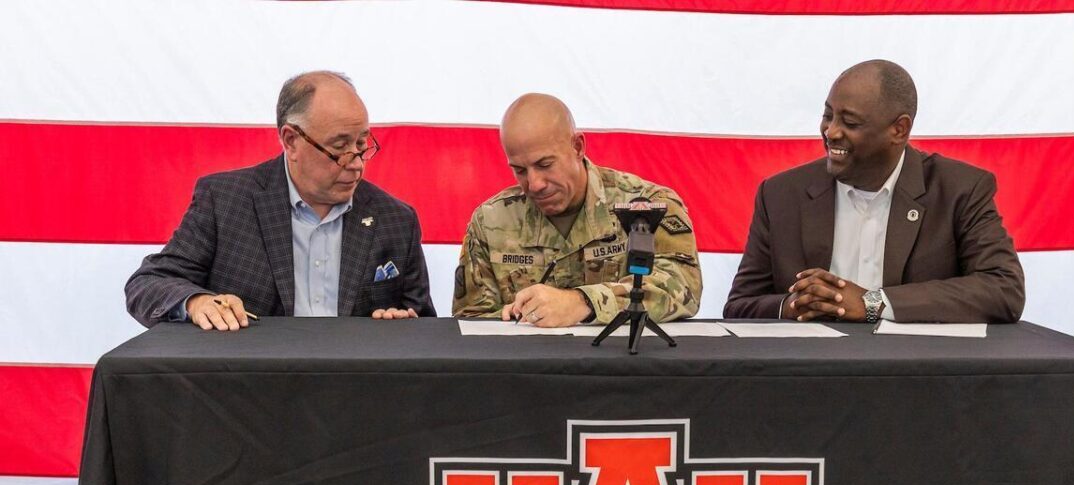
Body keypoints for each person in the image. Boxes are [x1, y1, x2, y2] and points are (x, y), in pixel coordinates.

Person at [125, 71, 435, 331]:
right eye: (340, 147)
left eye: (362, 143)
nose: (356, 162)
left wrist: (402, 325)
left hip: (353, 395)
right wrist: (197, 302)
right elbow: (149, 283)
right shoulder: (225, 202)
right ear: (291, 141)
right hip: (251, 391)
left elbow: (422, 325)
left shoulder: (396, 219)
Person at [724, 60, 1024, 324]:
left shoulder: (960, 189)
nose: (831, 132)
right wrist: (792, 306)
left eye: (850, 122)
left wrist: (873, 303)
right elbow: (739, 305)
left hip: (914, 376)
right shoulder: (780, 194)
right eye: (828, 115)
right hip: (812, 376)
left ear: (899, 130)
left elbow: (1002, 288)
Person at [453, 93, 701, 327]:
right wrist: (512, 316)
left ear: (578, 146)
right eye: (520, 170)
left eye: (545, 164)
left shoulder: (648, 206)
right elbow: (471, 319)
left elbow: (682, 288)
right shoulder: (491, 221)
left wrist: (582, 302)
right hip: (528, 370)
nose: (535, 183)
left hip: (623, 367)